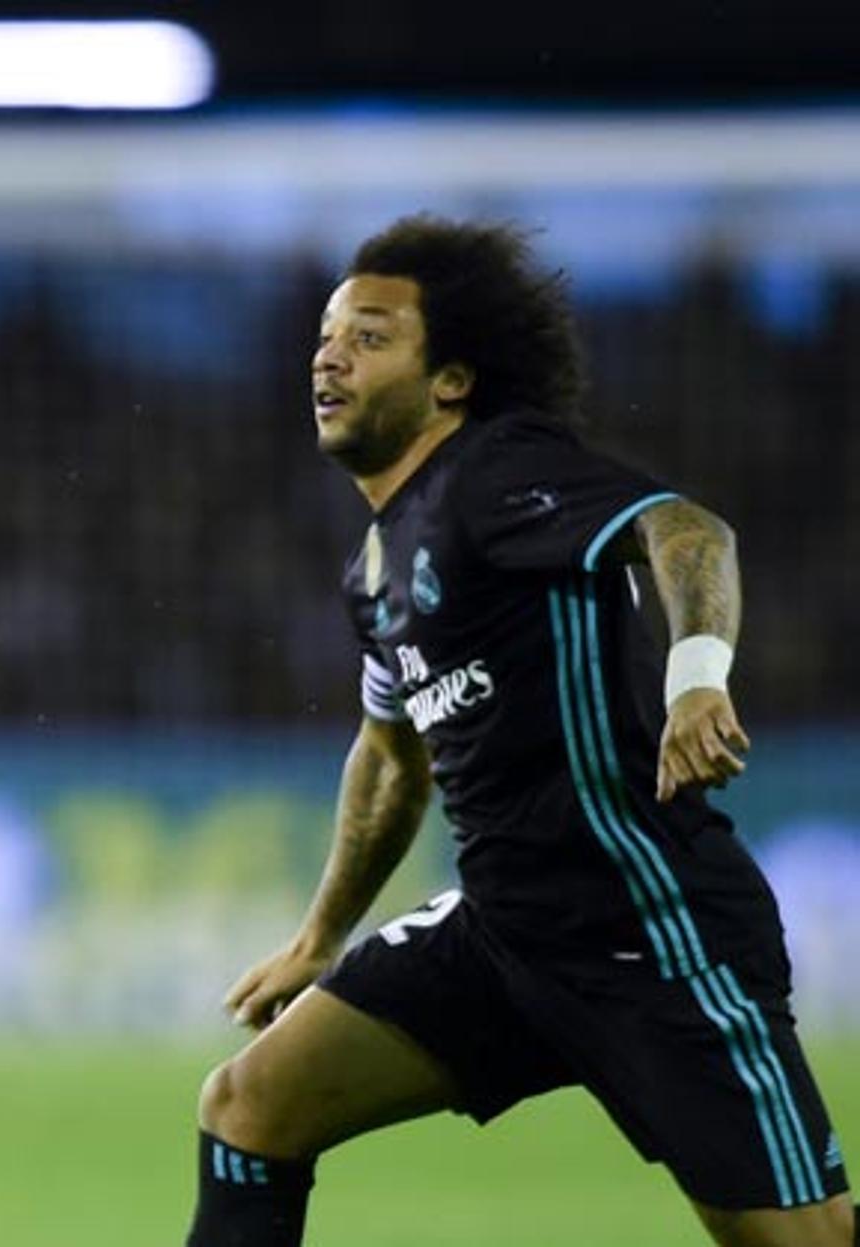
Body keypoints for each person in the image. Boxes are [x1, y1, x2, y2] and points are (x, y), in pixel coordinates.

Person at [184, 217, 853, 1247]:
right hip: (503, 932)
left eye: (369, 337)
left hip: (647, 926)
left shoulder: (495, 470)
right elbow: (388, 755)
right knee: (250, 1108)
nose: (328, 354)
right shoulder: (375, 565)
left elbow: (683, 529)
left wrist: (695, 680)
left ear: (450, 379)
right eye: (325, 335)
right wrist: (322, 934)